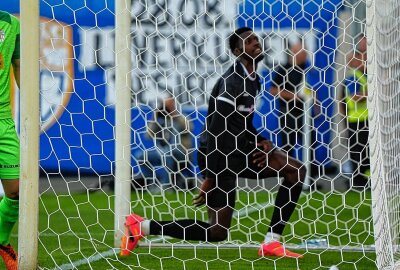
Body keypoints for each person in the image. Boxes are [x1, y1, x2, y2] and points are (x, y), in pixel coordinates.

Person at [120, 27, 306, 258]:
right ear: (238, 51)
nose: (256, 43)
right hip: (218, 156)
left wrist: (260, 140)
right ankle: (143, 227)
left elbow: (243, 121)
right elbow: (217, 131)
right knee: (217, 232)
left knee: (295, 171)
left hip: (242, 150)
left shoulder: (254, 80)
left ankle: (272, 241)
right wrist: (210, 176)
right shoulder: (232, 82)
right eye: (250, 41)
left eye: (257, 39)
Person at [134, 96, 192, 191]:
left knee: (167, 155)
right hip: (161, 151)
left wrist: (174, 114)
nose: (167, 107)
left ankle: (166, 186)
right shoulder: (160, 120)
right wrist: (155, 116)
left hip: (181, 153)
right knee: (140, 156)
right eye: (165, 105)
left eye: (169, 105)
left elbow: (188, 128)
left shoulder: (183, 117)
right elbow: (148, 135)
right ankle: (154, 182)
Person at [0, 10, 21, 270]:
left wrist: (31, 106)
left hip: (3, 120)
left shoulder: (11, 23)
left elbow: (19, 65)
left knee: (16, 191)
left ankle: (2, 240)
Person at [270, 42, 308, 158]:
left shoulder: (306, 69)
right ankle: (288, 170)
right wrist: (293, 96)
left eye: (305, 53)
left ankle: (311, 171)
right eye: (302, 53)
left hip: (305, 112)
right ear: (294, 53)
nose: (305, 56)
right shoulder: (283, 69)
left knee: (309, 141)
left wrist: (316, 105)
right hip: (288, 112)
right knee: (288, 143)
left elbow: (311, 88)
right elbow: (273, 90)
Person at [344, 50, 369, 189]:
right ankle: (357, 181)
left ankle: (364, 179)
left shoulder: (363, 76)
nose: (363, 61)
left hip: (364, 120)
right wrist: (371, 92)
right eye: (360, 59)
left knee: (365, 152)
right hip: (357, 121)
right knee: (358, 152)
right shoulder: (353, 77)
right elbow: (355, 97)